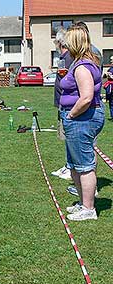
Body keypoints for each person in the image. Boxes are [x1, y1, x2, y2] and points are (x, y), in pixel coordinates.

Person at [60, 25, 105, 221]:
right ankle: (83, 203)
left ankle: (88, 208)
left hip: (82, 119)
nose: (65, 47)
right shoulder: (84, 63)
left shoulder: (82, 67)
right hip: (80, 119)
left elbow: (86, 98)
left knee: (84, 166)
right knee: (75, 165)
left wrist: (71, 115)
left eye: (67, 44)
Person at [50, 29, 74, 180]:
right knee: (66, 137)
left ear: (60, 43)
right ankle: (68, 165)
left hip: (66, 105)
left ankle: (71, 167)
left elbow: (65, 82)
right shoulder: (63, 57)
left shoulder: (67, 59)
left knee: (69, 136)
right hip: (62, 103)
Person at [103, 55, 113, 120]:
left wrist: (111, 76)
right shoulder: (110, 68)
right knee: (110, 102)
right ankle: (112, 116)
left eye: (112, 60)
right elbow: (104, 76)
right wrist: (106, 74)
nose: (111, 61)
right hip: (109, 87)